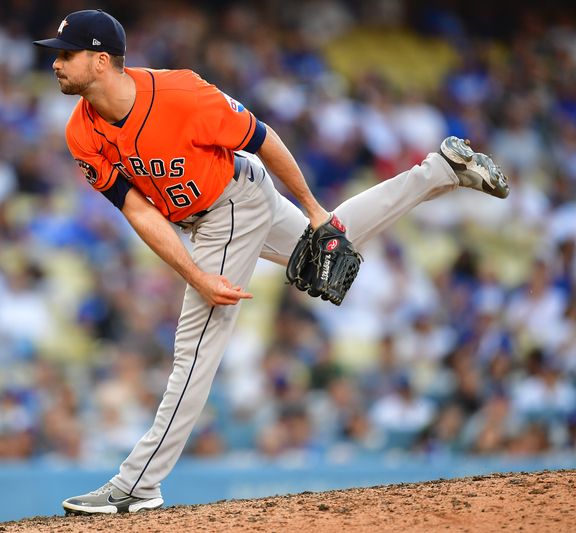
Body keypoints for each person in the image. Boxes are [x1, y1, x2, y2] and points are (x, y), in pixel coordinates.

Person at [33, 9, 509, 515]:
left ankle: (138, 484)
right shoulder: (81, 131)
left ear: (101, 60)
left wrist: (312, 207)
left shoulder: (181, 94)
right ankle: (441, 170)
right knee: (322, 251)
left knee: (195, 351)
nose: (56, 64)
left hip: (230, 200)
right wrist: (194, 272)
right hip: (201, 216)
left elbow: (262, 138)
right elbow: (136, 210)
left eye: (66, 54)